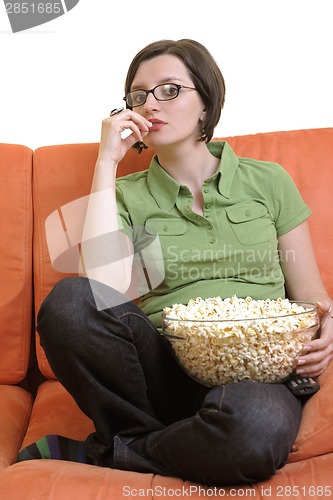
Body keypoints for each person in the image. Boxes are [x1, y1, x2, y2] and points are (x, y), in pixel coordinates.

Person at [17, 39, 333, 486]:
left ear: (206, 102)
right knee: (71, 300)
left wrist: (327, 323)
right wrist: (107, 161)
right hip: (164, 369)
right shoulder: (127, 195)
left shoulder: (268, 181)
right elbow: (103, 288)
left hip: (255, 371)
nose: (150, 105)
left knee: (251, 436)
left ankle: (115, 452)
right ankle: (169, 438)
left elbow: (311, 295)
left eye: (169, 90)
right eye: (138, 95)